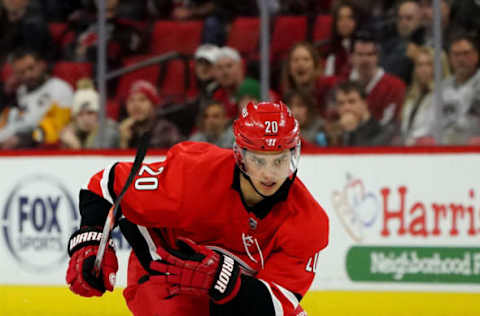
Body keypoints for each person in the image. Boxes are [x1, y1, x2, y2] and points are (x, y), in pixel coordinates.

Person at [65, 101, 329, 316]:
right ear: (240, 155)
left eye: (279, 160)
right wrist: (92, 240)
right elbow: (105, 185)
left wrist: (225, 282)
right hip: (164, 275)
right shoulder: (194, 173)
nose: (268, 174)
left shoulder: (308, 223)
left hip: (234, 295)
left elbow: (275, 305)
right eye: (258, 160)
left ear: (294, 155)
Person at [0, 48, 73, 149]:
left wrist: (22, 139)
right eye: (21, 72)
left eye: (31, 68)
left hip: (46, 150)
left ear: (42, 64)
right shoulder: (20, 92)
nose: (28, 75)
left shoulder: (60, 88)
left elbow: (57, 126)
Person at [345, 31, 406, 126]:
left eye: (370, 54)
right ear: (351, 57)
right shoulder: (342, 84)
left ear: (378, 56)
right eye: (360, 54)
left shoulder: (395, 86)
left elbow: (389, 127)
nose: (365, 60)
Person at [400, 46, 450, 145]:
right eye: (420, 65)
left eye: (429, 64)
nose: (423, 69)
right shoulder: (411, 97)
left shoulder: (446, 96)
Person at [438, 32, 480, 145]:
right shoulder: (442, 87)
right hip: (444, 150)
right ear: (450, 58)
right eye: (456, 54)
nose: (461, 59)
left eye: (466, 53)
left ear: (476, 55)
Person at [119, 80, 184, 149]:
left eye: (142, 100)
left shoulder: (167, 132)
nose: (136, 106)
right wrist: (124, 142)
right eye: (131, 100)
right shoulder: (124, 131)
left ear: (154, 105)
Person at [60, 80, 120, 149]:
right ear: (75, 118)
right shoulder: (75, 132)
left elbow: (98, 158)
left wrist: (75, 145)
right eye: (80, 114)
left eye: (90, 113)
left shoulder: (108, 132)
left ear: (99, 114)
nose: (85, 118)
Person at [335, 80, 395, 146]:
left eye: (352, 101)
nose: (346, 108)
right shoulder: (336, 132)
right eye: (341, 103)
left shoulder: (382, 132)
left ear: (364, 103)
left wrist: (352, 132)